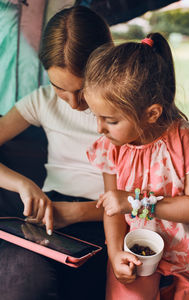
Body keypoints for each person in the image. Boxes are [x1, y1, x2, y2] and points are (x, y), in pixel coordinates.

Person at [0, 6, 113, 300]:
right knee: (20, 284)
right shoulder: (43, 101)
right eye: (60, 88)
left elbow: (154, 195)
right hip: (50, 217)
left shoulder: (126, 111)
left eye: (84, 89)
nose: (74, 104)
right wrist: (22, 184)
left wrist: (77, 213)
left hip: (112, 219)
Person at [84, 33, 189, 300]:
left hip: (186, 257)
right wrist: (115, 254)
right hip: (136, 254)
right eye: (96, 116)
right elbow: (112, 208)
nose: (99, 128)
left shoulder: (186, 138)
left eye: (110, 120)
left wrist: (139, 204)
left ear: (151, 114)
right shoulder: (110, 146)